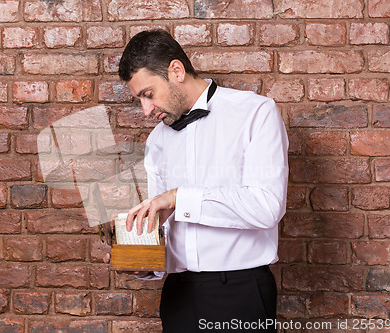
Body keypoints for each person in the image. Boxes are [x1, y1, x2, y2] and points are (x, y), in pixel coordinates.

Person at [117, 29, 288, 332]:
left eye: (148, 94)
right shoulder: (157, 140)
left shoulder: (256, 113)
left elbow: (267, 207)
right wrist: (144, 262)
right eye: (139, 100)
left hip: (241, 291)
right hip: (178, 295)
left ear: (176, 71)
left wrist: (178, 197)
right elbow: (163, 225)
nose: (146, 110)